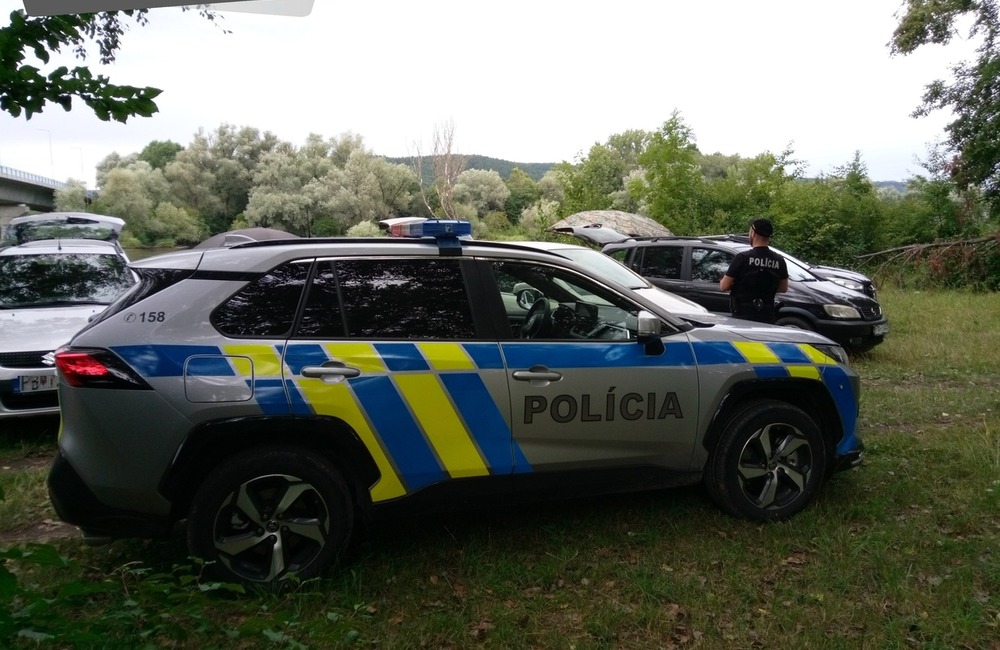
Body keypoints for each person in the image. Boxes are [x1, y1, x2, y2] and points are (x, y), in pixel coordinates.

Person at [719, 218, 789, 324]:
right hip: (767, 316)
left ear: (753, 232)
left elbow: (723, 286)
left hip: (742, 317)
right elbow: (783, 288)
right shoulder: (779, 260)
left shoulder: (742, 258)